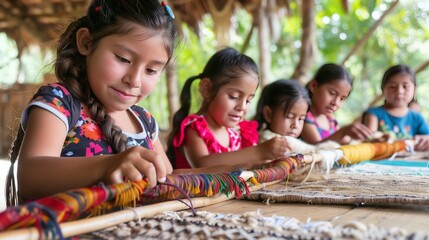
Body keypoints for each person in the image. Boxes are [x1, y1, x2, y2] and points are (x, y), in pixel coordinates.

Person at [5, 0, 179, 206]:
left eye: (151, 70)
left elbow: (168, 178)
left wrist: (225, 170)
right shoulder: (60, 103)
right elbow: (30, 177)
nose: (135, 80)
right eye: (123, 59)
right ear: (86, 42)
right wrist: (107, 166)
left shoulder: (144, 121)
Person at [166, 48, 291, 169]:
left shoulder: (237, 131)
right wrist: (259, 151)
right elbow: (202, 165)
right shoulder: (194, 129)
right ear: (207, 89)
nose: (242, 107)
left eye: (248, 100)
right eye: (234, 96)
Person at [255, 79, 340, 154]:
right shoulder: (267, 140)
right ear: (268, 114)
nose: (295, 125)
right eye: (289, 117)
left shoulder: (295, 144)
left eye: (301, 119)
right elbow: (311, 150)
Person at [300, 63, 373, 145]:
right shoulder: (303, 118)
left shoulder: (330, 120)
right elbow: (316, 148)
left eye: (342, 99)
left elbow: (347, 142)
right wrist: (343, 132)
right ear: (314, 86)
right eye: (332, 93)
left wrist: (372, 139)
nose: (336, 103)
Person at [363, 64, 429, 151]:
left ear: (414, 90)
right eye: (392, 86)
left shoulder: (417, 117)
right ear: (383, 89)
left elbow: (426, 138)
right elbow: (369, 140)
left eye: (406, 86)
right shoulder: (373, 114)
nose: (399, 91)